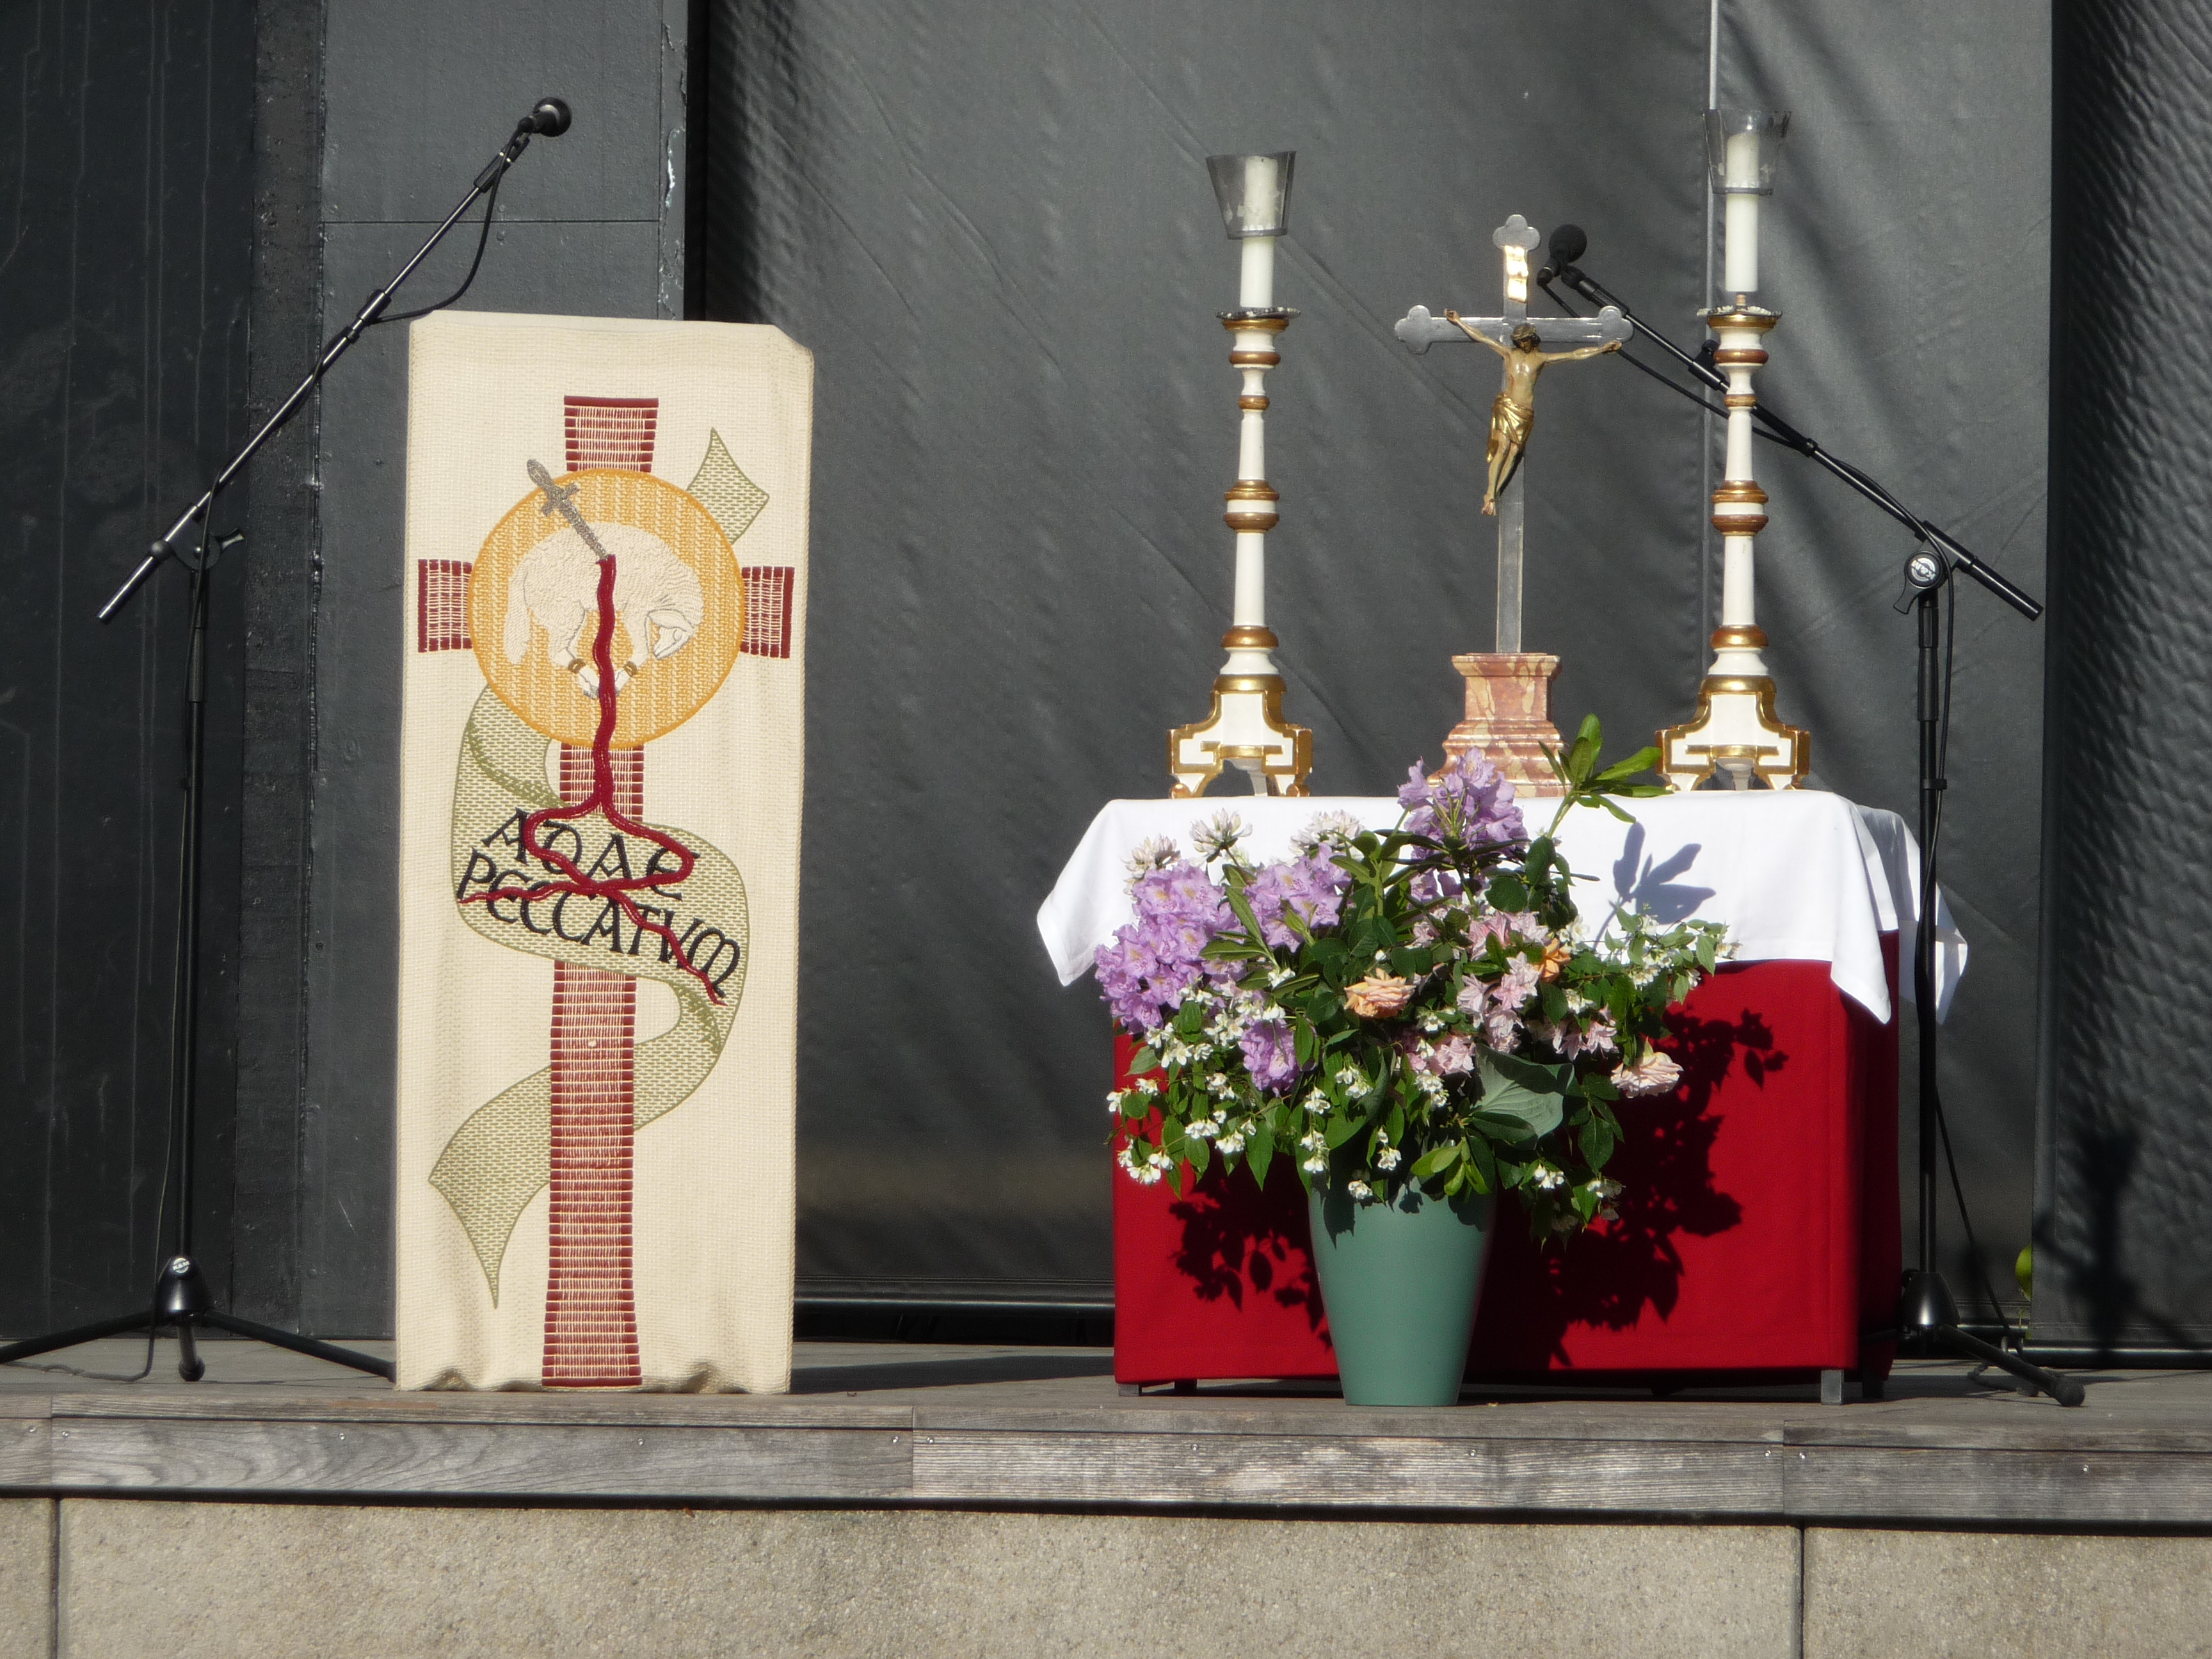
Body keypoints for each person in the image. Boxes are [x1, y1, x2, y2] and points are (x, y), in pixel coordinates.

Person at [1447, 316, 1622, 515]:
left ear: (1532, 338)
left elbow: (1575, 354)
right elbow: (1483, 337)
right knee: (1503, 448)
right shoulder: (1509, 354)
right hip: (1507, 406)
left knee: (1514, 452)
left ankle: (1495, 494)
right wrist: (1459, 322)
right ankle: (1489, 494)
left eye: (1525, 340)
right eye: (1519, 341)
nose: (1522, 344)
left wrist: (1602, 349)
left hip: (1524, 413)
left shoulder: (1541, 359)